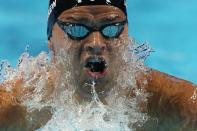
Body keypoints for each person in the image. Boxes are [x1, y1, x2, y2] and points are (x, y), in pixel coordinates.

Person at [0, 0, 197, 130]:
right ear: (51, 41)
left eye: (111, 29)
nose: (95, 43)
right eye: (77, 29)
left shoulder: (174, 104)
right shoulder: (17, 106)